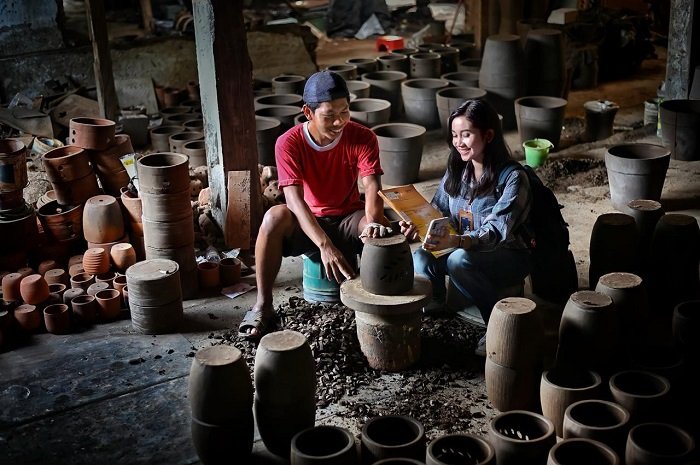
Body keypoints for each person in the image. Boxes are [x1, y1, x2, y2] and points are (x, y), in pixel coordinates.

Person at [239, 70, 416, 340]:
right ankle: (263, 304)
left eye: (344, 112)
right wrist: (324, 245)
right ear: (308, 113)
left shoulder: (362, 136)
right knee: (274, 217)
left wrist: (374, 222)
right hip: (309, 220)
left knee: (378, 227)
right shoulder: (288, 143)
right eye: (329, 115)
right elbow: (295, 201)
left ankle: (379, 304)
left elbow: (371, 186)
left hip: (349, 217)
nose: (339, 121)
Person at [414, 99, 532, 356]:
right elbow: (439, 211)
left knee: (458, 260)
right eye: (455, 135)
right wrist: (417, 225)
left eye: (466, 135)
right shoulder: (458, 170)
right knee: (421, 256)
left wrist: (457, 242)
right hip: (464, 249)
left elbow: (498, 231)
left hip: (508, 255)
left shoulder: (512, 177)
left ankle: (496, 324)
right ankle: (436, 306)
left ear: (488, 135)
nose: (458, 142)